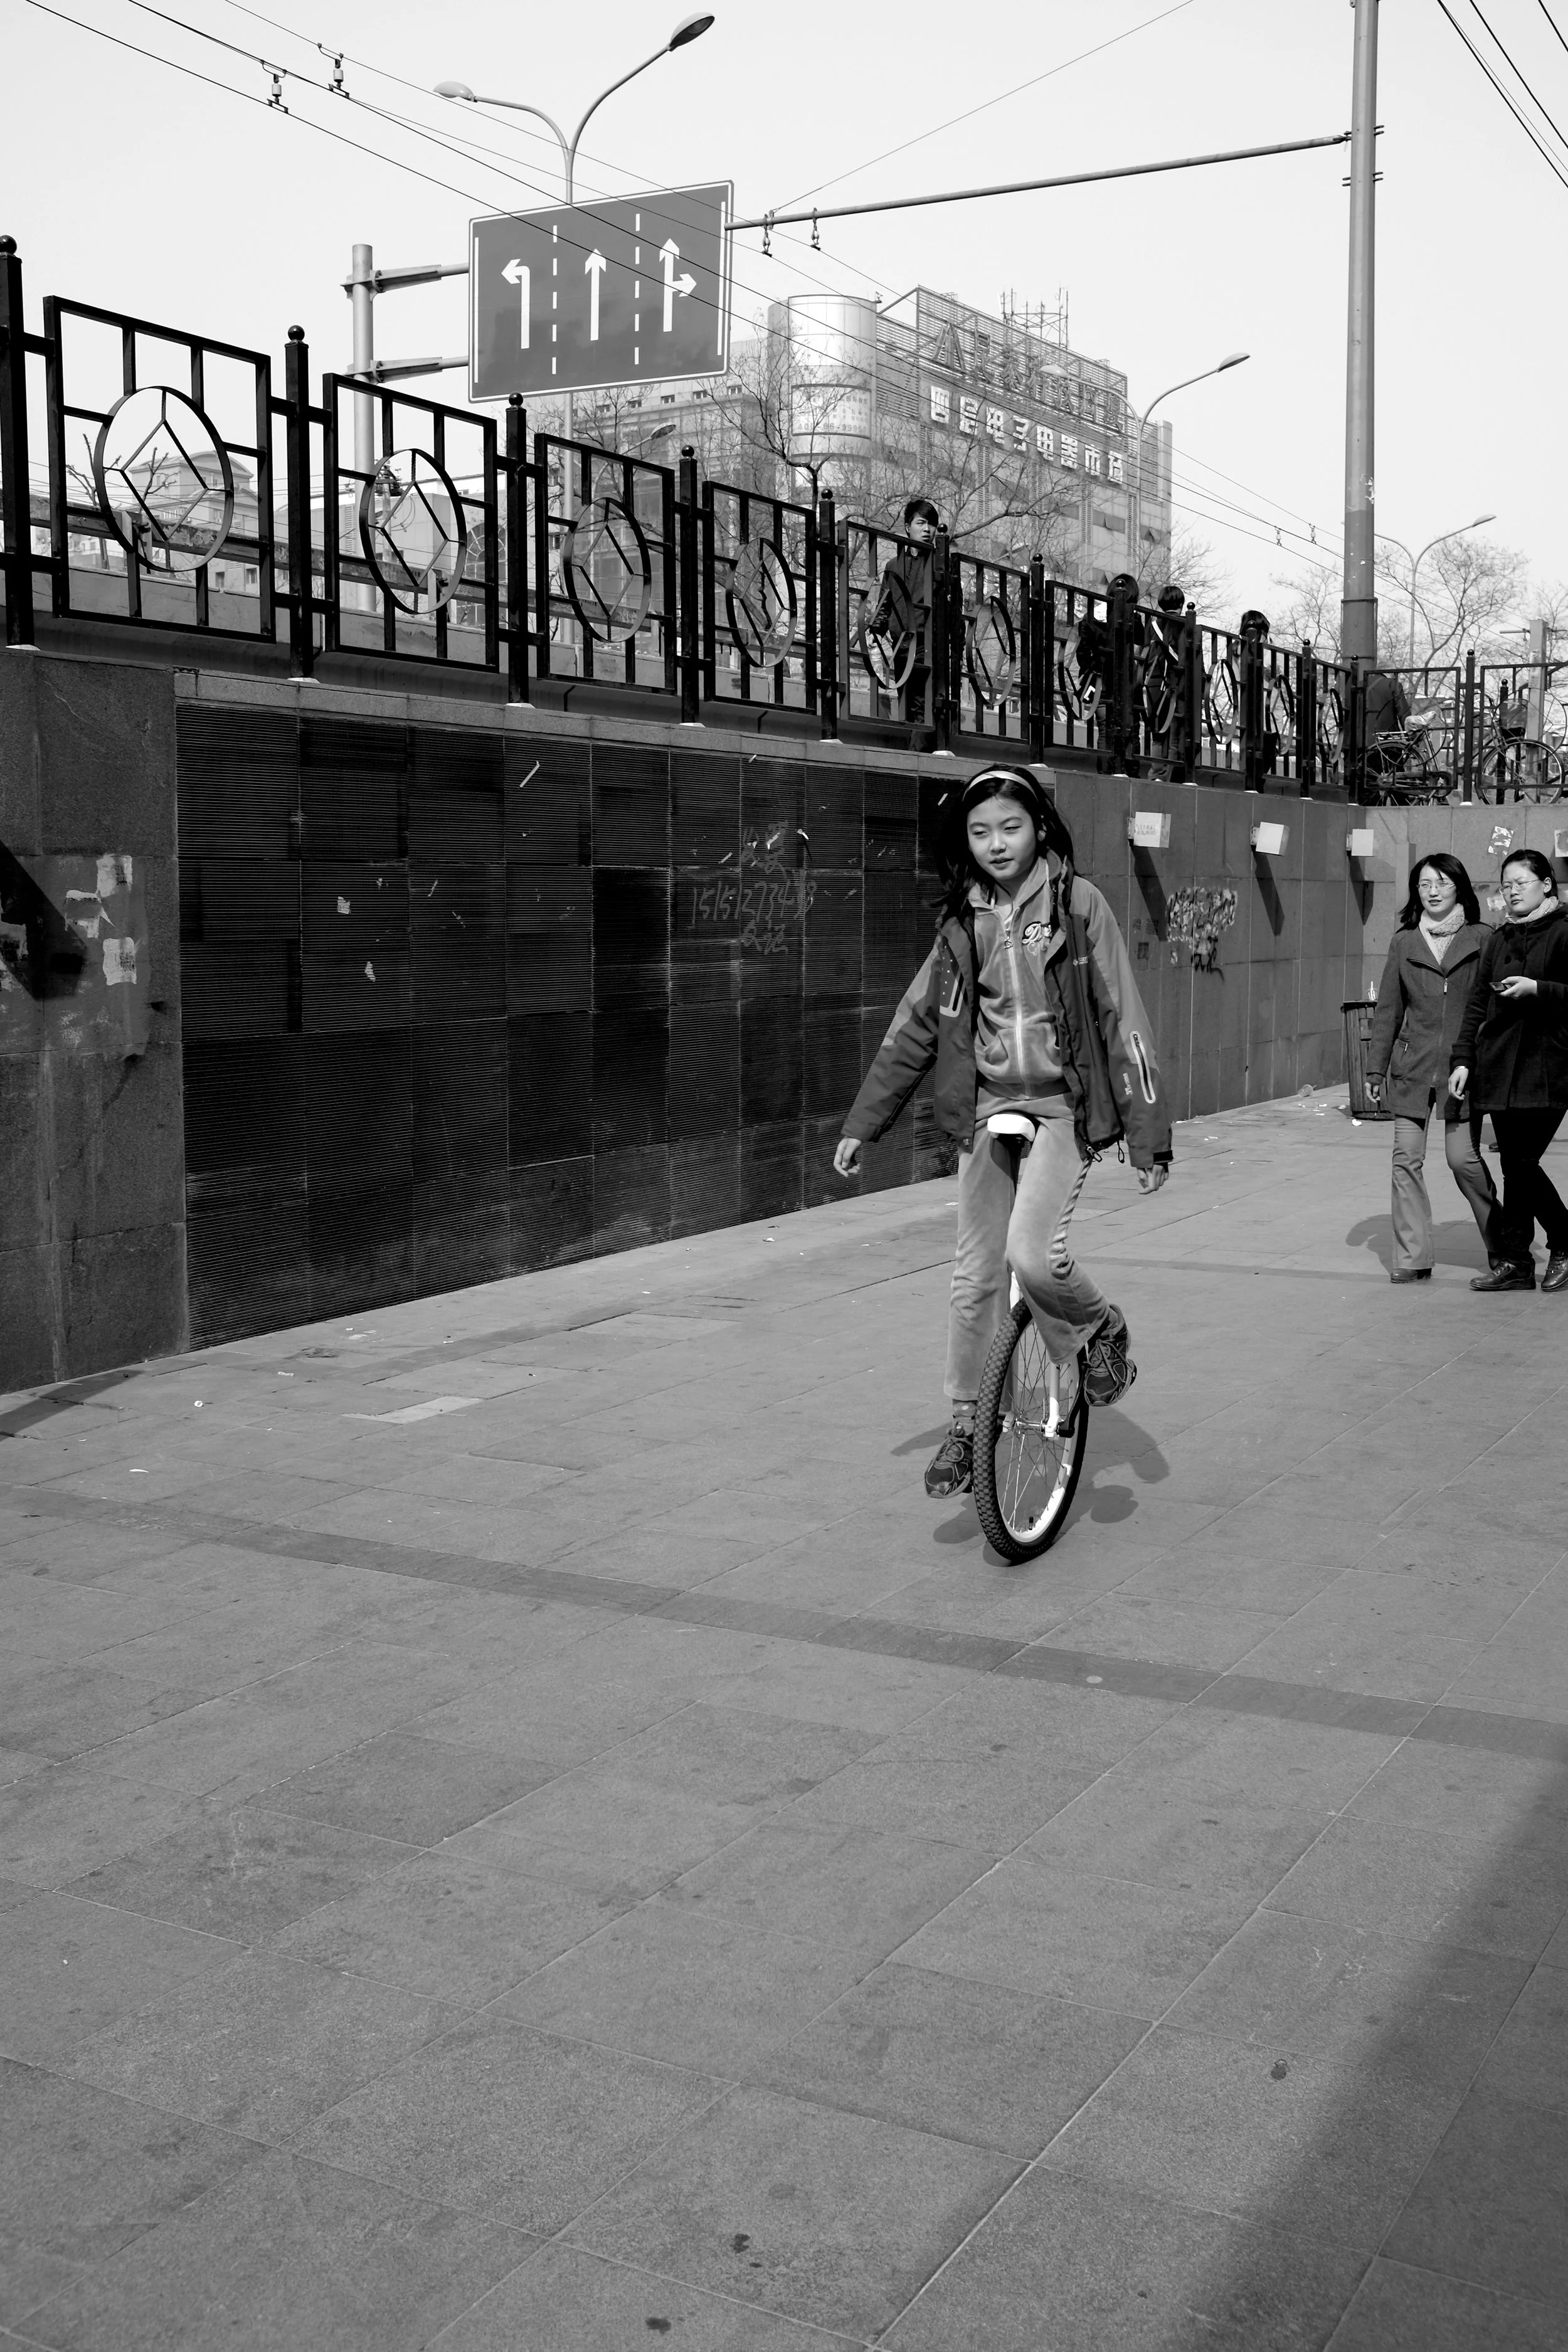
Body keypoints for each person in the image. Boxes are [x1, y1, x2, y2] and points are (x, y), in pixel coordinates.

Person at [832, 763, 1172, 1498]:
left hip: (1063, 1106)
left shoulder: (1078, 904)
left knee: (1033, 1255)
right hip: (988, 1106)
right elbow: (915, 1026)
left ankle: (1099, 1328)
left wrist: (1148, 1137)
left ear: (1039, 828)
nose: (995, 843)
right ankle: (965, 1426)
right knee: (973, 1276)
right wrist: (865, 1123)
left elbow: (1123, 1018)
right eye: (980, 831)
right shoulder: (964, 921)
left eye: (1010, 827)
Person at [1366, 854, 1500, 1282]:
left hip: (1464, 1068)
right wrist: (1375, 1069)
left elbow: (1494, 1007)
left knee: (1463, 1160)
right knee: (1405, 1160)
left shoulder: (1483, 938)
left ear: (1459, 887)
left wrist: (1482, 1056)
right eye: (1424, 884)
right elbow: (1388, 1010)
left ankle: (1504, 1244)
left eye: (1442, 882)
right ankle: (1413, 1258)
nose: (1433, 891)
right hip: (1413, 1067)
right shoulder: (1404, 942)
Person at [1449, 847, 1568, 1293]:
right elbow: (1477, 1004)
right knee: (1514, 1167)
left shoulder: (1564, 931)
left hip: (1549, 1066)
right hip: (1499, 1067)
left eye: (1521, 882)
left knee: (1521, 1162)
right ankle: (1517, 1262)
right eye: (1506, 884)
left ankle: (1563, 1239)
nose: (1513, 891)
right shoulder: (1499, 938)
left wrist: (1539, 988)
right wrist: (1463, 1059)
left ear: (1546, 885)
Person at [869, 497, 938, 748]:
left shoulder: (941, 564)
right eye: (921, 523)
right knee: (907, 702)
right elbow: (885, 604)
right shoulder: (894, 565)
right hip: (902, 646)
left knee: (922, 704)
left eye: (931, 524)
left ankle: (917, 757)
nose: (927, 529)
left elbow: (954, 611)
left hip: (929, 645)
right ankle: (917, 755)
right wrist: (875, 632)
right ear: (908, 526)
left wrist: (957, 648)